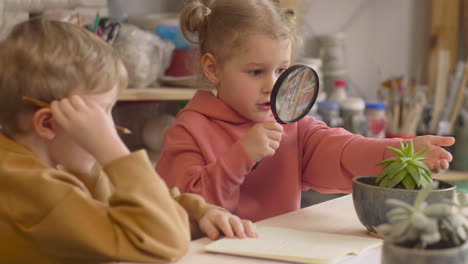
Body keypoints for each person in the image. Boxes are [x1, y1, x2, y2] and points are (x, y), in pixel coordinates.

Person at [156, 0, 455, 223]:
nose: (271, 86)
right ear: (213, 68)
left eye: (281, 70)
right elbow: (184, 209)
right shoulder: (189, 130)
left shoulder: (291, 126)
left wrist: (403, 153)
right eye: (256, 71)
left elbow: (345, 151)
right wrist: (241, 156)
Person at [0, 19, 256, 264]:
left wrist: (200, 212)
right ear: (47, 123)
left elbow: (135, 204)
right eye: (99, 115)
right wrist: (112, 150)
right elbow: (165, 240)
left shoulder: (53, 160)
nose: (109, 128)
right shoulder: (33, 188)